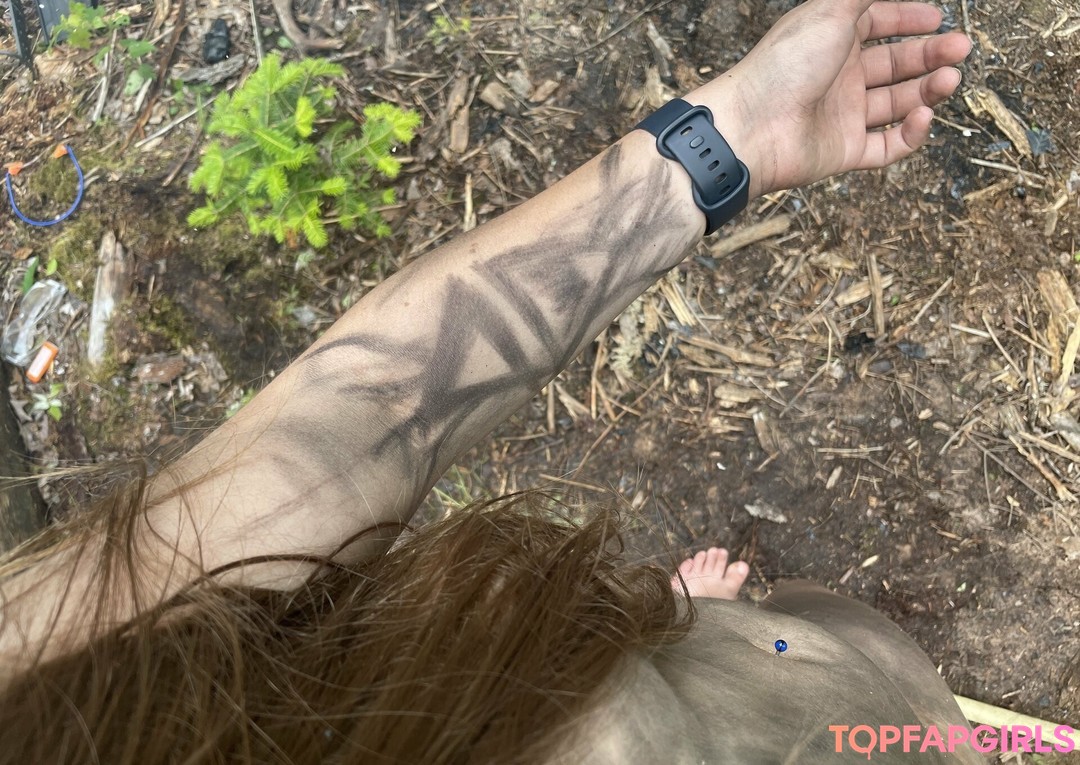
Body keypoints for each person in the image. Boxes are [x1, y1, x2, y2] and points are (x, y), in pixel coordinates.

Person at [0, 0, 974, 761]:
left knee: (801, 633)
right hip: (841, 724)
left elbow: (365, 416)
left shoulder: (42, 682)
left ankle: (698, 621)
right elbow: (352, 424)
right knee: (865, 672)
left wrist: (731, 135)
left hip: (695, 673)